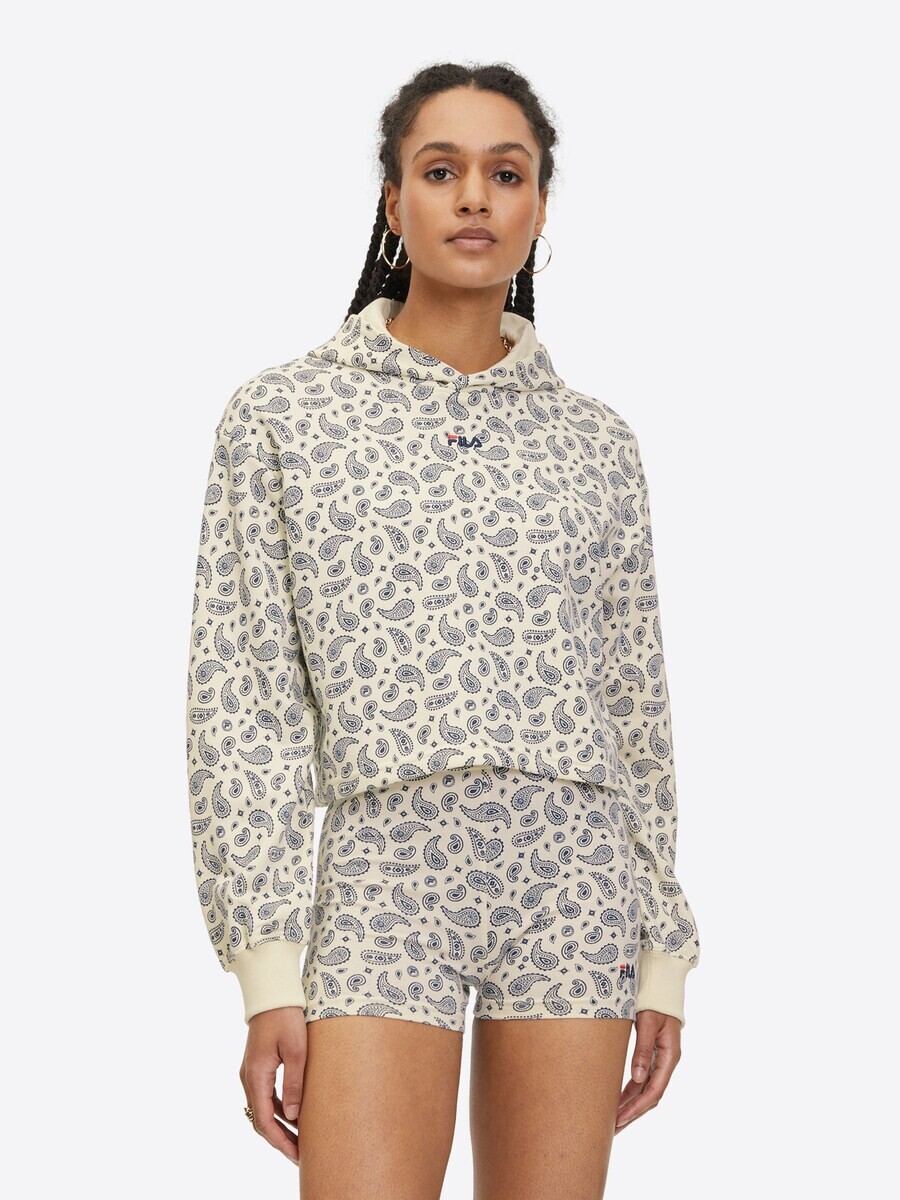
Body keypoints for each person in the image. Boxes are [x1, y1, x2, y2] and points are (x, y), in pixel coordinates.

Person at [186, 60, 701, 1198]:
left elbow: (635, 703)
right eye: (440, 170)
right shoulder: (284, 415)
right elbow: (245, 701)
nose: (475, 196)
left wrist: (662, 949)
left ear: (540, 208)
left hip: (574, 876)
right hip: (382, 870)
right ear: (393, 200)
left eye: (506, 173)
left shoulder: (597, 442)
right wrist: (267, 968)